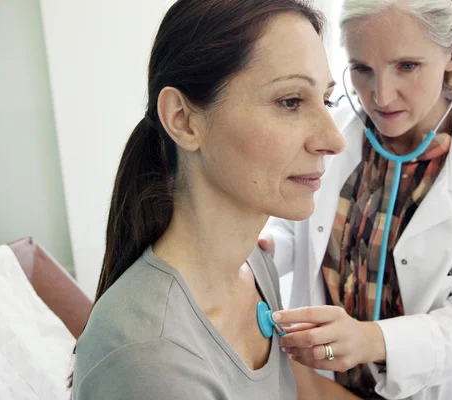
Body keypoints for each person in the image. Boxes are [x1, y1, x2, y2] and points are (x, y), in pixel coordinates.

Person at [70, 0, 363, 399]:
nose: (333, 140)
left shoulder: (252, 267)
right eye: (290, 101)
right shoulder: (151, 357)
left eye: (326, 101)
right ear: (183, 119)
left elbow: (295, 388)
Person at [259, 0, 452, 399]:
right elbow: (293, 228)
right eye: (362, 69)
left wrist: (369, 340)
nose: (381, 95)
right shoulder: (331, 135)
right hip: (321, 386)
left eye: (407, 66)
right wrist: (266, 247)